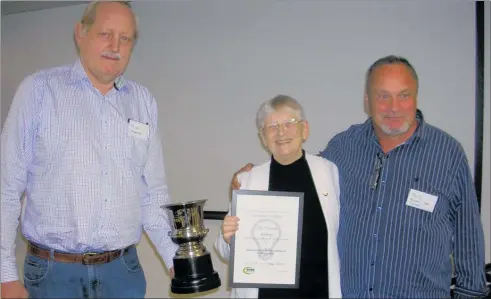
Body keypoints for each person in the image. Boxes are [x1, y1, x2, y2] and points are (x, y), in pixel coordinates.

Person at [231, 55, 490, 298]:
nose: (393, 108)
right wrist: (254, 179)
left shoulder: (447, 153)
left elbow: (468, 234)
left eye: (404, 95)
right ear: (367, 100)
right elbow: (301, 174)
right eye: (383, 96)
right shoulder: (342, 149)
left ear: (416, 97)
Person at [1, 1, 177, 298]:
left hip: (123, 273)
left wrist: (176, 259)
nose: (115, 46)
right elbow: (6, 188)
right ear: (81, 33)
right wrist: (5, 274)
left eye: (125, 38)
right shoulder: (39, 91)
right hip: (53, 275)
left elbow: (153, 193)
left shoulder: (143, 101)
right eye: (105, 34)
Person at [215, 95, 342, 298]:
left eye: (289, 124)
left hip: (318, 292)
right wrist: (228, 238)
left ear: (304, 129)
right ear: (263, 138)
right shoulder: (248, 180)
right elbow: (226, 251)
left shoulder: (329, 172)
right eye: (272, 127)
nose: (281, 132)